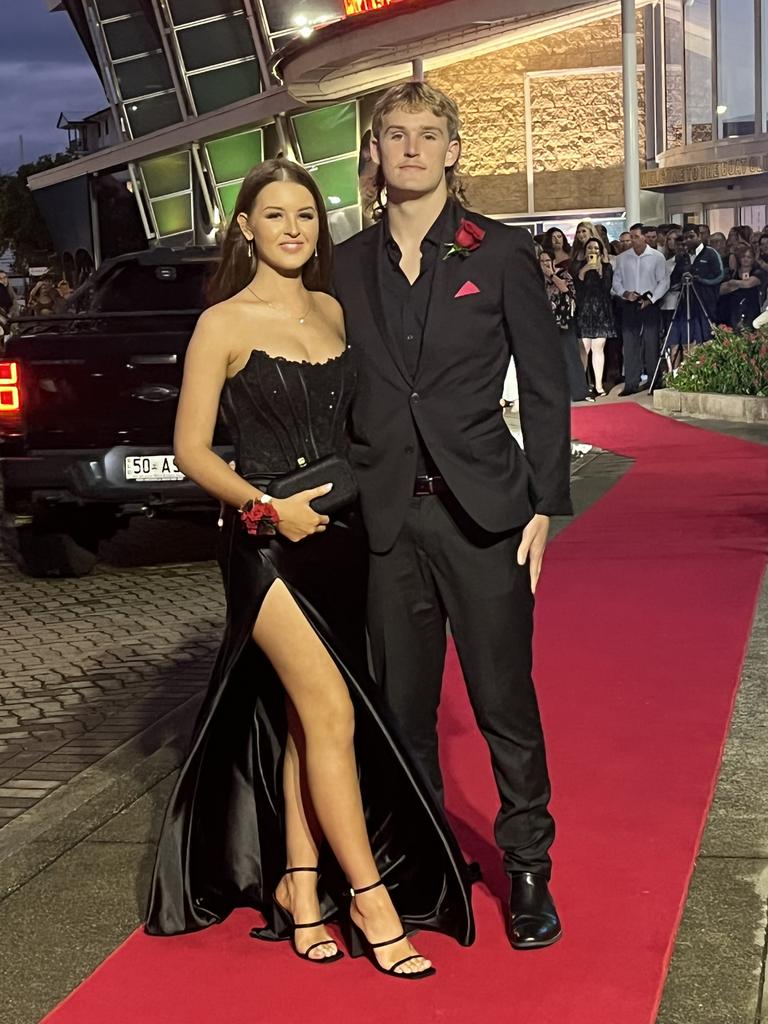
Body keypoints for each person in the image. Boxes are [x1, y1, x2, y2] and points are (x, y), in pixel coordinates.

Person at [145, 158, 475, 978]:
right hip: (267, 548)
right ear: (245, 228)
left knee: (302, 722)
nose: (293, 229)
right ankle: (368, 897)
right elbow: (189, 449)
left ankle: (299, 882)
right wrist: (265, 508)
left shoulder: (333, 309)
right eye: (275, 215)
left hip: (343, 538)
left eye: (305, 215)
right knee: (332, 712)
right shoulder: (222, 322)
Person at [333, 81, 571, 951]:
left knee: (505, 701)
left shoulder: (498, 253)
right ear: (375, 152)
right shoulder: (344, 265)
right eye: (394, 135)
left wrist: (547, 505)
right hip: (388, 520)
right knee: (402, 710)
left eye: (427, 134)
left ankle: (529, 868)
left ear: (453, 149)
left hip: (488, 519)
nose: (410, 149)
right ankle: (425, 860)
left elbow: (548, 387)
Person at [612, 223, 669, 395]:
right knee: (630, 344)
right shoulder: (623, 258)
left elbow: (664, 282)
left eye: (635, 237)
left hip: (649, 303)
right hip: (630, 303)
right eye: (631, 237)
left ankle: (653, 382)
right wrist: (625, 293)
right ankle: (631, 383)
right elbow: (616, 281)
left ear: (644, 237)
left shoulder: (657, 257)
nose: (632, 240)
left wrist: (652, 299)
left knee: (651, 343)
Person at [539, 248, 587, 401]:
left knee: (571, 356)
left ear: (553, 261)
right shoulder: (536, 277)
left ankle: (578, 391)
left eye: (548, 261)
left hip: (564, 321)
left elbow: (566, 289)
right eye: (542, 261)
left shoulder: (563, 274)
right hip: (545, 322)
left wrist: (551, 275)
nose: (545, 264)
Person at [573, 236, 614, 396]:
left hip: (601, 312)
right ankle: (582, 385)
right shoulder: (578, 266)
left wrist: (599, 271)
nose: (593, 251)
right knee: (584, 349)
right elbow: (577, 288)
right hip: (584, 311)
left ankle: (598, 385)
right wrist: (585, 270)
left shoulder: (607, 267)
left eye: (596, 248)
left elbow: (607, 288)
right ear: (585, 251)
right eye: (590, 248)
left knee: (599, 348)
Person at [670, 224, 724, 344]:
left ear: (699, 236)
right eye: (685, 238)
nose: (688, 240)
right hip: (686, 304)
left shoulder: (710, 253)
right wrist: (681, 280)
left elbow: (720, 276)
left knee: (708, 339)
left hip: (706, 303)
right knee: (688, 340)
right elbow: (673, 280)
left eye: (691, 236)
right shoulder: (682, 257)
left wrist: (700, 279)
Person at [719, 248, 767, 330]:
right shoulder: (733, 272)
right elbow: (721, 289)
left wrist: (733, 283)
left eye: (749, 257)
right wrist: (738, 284)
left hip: (751, 308)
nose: (745, 259)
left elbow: (747, 284)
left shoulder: (759, 272)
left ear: (753, 259)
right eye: (743, 256)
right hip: (733, 309)